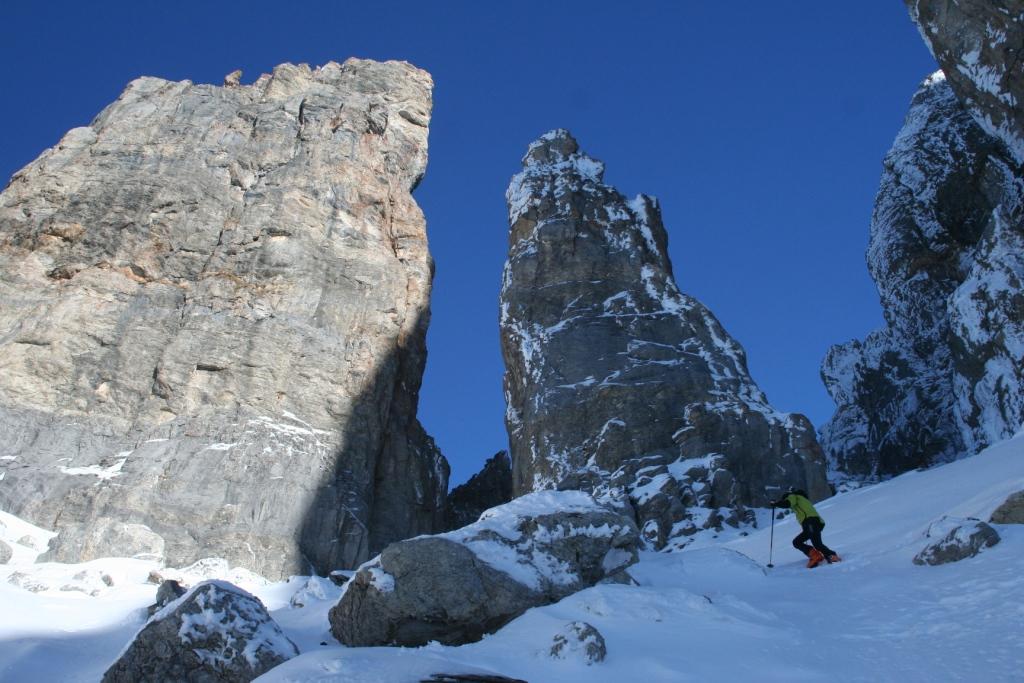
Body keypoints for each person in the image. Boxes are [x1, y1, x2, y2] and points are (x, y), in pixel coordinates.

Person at [771, 488, 841, 568]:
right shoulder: (803, 499)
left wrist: (776, 503)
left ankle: (831, 555)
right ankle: (815, 555)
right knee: (797, 542)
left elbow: (788, 503)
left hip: (810, 521)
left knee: (817, 544)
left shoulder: (792, 495)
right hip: (813, 523)